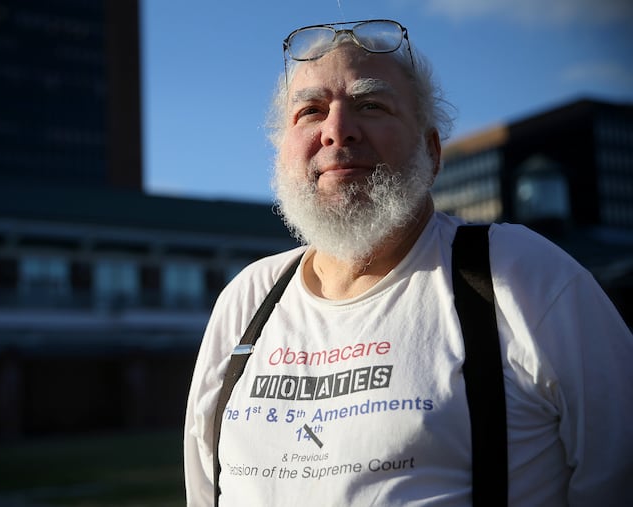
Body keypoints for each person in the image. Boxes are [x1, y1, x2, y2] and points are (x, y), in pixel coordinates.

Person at [183, 18, 633, 506]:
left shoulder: (521, 274)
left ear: (432, 152)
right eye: (310, 111)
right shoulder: (248, 299)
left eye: (371, 105)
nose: (337, 131)